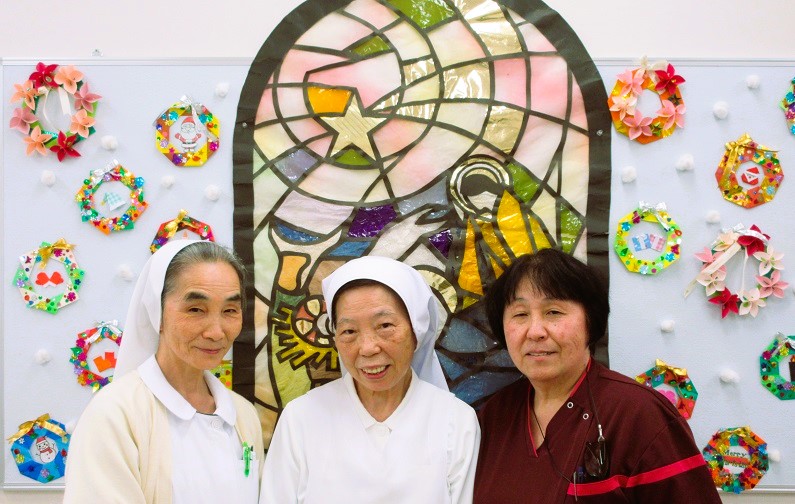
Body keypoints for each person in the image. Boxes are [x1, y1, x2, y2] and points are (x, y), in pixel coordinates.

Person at [474, 248, 721, 503]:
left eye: (553, 312)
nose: (535, 331)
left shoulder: (640, 415)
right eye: (520, 314)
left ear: (591, 321)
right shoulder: (494, 416)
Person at [259, 256, 480, 503]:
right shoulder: (300, 419)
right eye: (349, 331)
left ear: (416, 331)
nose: (367, 348)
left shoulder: (456, 422)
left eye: (384, 326)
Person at [64, 240, 263, 503]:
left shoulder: (243, 415)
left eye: (230, 310)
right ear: (156, 312)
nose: (216, 332)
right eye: (195, 309)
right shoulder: (114, 415)